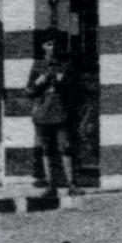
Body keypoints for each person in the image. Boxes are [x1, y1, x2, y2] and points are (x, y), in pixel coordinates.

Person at [26, 32, 77, 195]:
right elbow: (29, 90)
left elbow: (75, 90)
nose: (52, 47)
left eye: (54, 44)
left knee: (66, 147)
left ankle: (71, 184)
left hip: (62, 112)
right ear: (42, 47)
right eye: (48, 44)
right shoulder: (38, 65)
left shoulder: (66, 65)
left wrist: (64, 81)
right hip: (42, 112)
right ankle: (51, 185)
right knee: (47, 149)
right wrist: (39, 81)